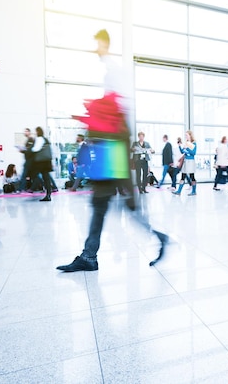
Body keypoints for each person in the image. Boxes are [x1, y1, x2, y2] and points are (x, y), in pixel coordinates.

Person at [57, 29, 167, 272]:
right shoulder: (113, 72)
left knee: (116, 205)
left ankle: (92, 255)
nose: (95, 49)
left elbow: (118, 111)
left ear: (103, 43)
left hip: (114, 146)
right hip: (114, 146)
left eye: (97, 44)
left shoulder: (114, 71)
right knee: (106, 204)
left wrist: (98, 122)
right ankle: (90, 255)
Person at [30, 126, 54, 202]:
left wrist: (29, 149)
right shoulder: (45, 139)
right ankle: (48, 194)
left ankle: (32, 188)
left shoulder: (39, 139)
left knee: (34, 174)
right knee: (46, 178)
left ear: (38, 132)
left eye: (35, 131)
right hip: (47, 161)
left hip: (41, 162)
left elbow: (36, 149)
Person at [173, 130, 198, 196]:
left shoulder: (194, 143)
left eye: (186, 135)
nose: (185, 136)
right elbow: (183, 152)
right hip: (185, 161)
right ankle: (179, 191)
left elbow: (193, 153)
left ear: (190, 135)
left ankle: (194, 191)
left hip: (191, 161)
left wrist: (188, 148)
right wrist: (180, 146)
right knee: (183, 176)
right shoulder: (187, 142)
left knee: (192, 176)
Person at [18, 128, 36, 192]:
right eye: (24, 131)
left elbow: (30, 150)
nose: (25, 133)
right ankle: (28, 188)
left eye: (26, 131)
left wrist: (24, 150)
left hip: (30, 160)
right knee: (34, 175)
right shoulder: (28, 140)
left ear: (29, 132)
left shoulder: (31, 139)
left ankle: (21, 188)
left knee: (24, 174)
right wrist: (22, 151)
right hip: (28, 159)